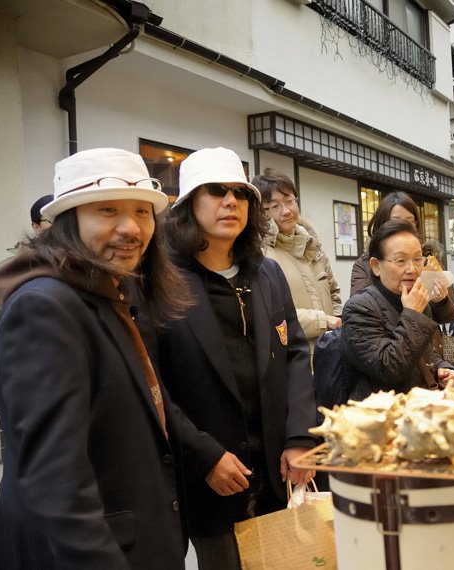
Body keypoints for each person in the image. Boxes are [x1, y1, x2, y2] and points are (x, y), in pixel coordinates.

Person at [0, 148, 192, 568]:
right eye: (107, 210)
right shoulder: (45, 306)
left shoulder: (110, 293)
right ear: (69, 221)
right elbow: (55, 479)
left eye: (143, 212)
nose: (131, 228)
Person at [156, 147, 318, 569]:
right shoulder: (161, 280)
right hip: (212, 472)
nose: (231, 201)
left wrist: (301, 435)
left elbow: (296, 352)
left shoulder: (266, 273)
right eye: (215, 191)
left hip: (277, 463)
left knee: (290, 560)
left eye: (240, 193)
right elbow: (152, 383)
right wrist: (204, 456)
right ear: (189, 204)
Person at [342, 219, 454, 400]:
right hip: (384, 415)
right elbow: (389, 369)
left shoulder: (416, 299)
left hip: (423, 405)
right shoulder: (359, 308)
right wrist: (413, 315)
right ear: (376, 266)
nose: (412, 269)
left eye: (418, 259)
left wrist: (443, 368)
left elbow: (427, 353)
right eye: (400, 260)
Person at [253, 169, 342, 354]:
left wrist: (337, 322)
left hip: (330, 352)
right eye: (274, 206)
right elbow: (269, 312)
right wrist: (322, 321)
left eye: (289, 201)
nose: (285, 211)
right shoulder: (260, 254)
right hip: (292, 356)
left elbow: (334, 292)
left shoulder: (313, 247)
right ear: (261, 211)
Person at [349, 191, 454, 324]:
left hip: (430, 340)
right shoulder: (365, 265)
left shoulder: (428, 260)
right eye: (400, 261)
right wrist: (411, 309)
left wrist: (440, 301)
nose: (411, 268)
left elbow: (449, 317)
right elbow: (360, 314)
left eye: (410, 222)